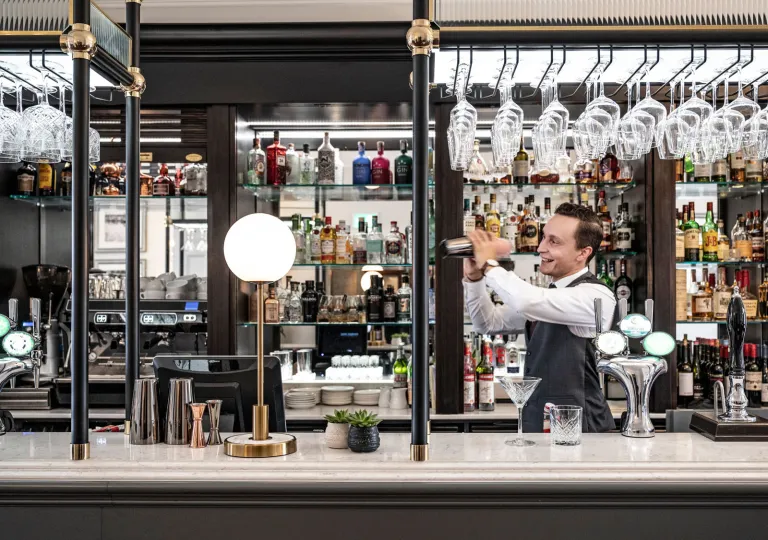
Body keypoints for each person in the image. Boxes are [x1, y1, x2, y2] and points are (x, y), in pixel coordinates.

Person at [464, 202, 616, 433]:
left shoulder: (596, 296)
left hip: (581, 427)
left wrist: (489, 264)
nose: (541, 248)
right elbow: (488, 323)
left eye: (554, 242)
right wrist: (474, 280)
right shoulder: (548, 297)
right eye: (544, 237)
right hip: (537, 421)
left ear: (583, 253)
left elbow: (527, 300)